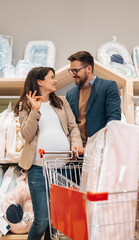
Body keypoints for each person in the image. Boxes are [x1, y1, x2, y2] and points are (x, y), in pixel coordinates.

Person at [14, 67, 84, 240]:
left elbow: (72, 126)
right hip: (38, 169)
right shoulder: (26, 104)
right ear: (39, 81)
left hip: (64, 168)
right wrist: (35, 111)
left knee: (56, 220)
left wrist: (76, 143)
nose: (55, 81)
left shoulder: (61, 101)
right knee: (42, 220)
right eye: (51, 78)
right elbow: (26, 134)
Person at [66, 51, 121, 147]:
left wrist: (104, 145)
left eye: (76, 70)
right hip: (77, 152)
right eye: (71, 71)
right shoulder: (70, 94)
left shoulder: (108, 86)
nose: (73, 75)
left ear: (88, 68)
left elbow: (114, 119)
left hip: (100, 149)